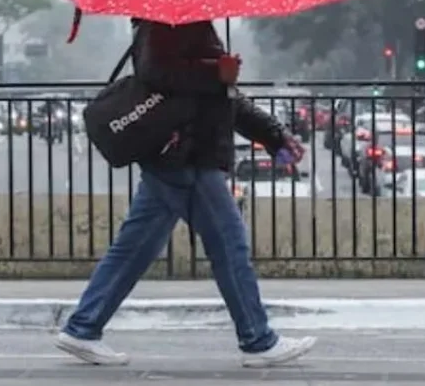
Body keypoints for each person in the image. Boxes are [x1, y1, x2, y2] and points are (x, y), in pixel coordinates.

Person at [55, 19, 316, 368]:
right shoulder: (167, 23)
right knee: (229, 242)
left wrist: (272, 134)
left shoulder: (190, 22)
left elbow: (224, 99)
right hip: (186, 156)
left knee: (135, 247)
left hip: (179, 155)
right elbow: (156, 73)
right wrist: (216, 73)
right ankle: (257, 339)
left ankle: (83, 327)